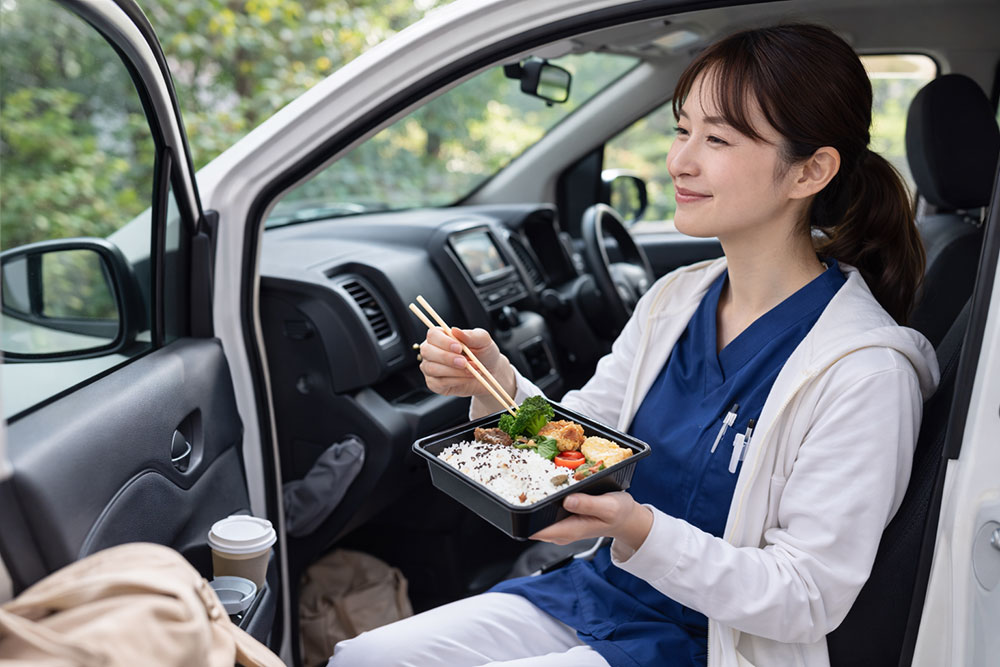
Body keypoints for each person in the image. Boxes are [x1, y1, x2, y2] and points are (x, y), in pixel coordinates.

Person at [328, 23, 939, 667]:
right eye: (682, 130)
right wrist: (497, 385)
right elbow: (580, 442)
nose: (680, 160)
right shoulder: (677, 298)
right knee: (364, 658)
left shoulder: (866, 373)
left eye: (718, 139)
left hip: (715, 647)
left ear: (809, 170)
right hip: (597, 593)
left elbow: (806, 595)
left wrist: (636, 528)